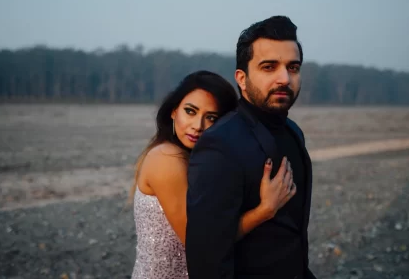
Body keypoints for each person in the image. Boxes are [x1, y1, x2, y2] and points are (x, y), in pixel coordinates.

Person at [130, 70, 296, 279]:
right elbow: (200, 243)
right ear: (174, 111)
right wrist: (264, 210)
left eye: (211, 118)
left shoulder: (198, 159)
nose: (198, 126)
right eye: (190, 111)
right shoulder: (166, 158)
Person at [186, 16, 315, 278]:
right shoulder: (220, 144)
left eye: (293, 67)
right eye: (269, 67)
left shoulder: (294, 132)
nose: (284, 79)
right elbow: (206, 258)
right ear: (242, 79)